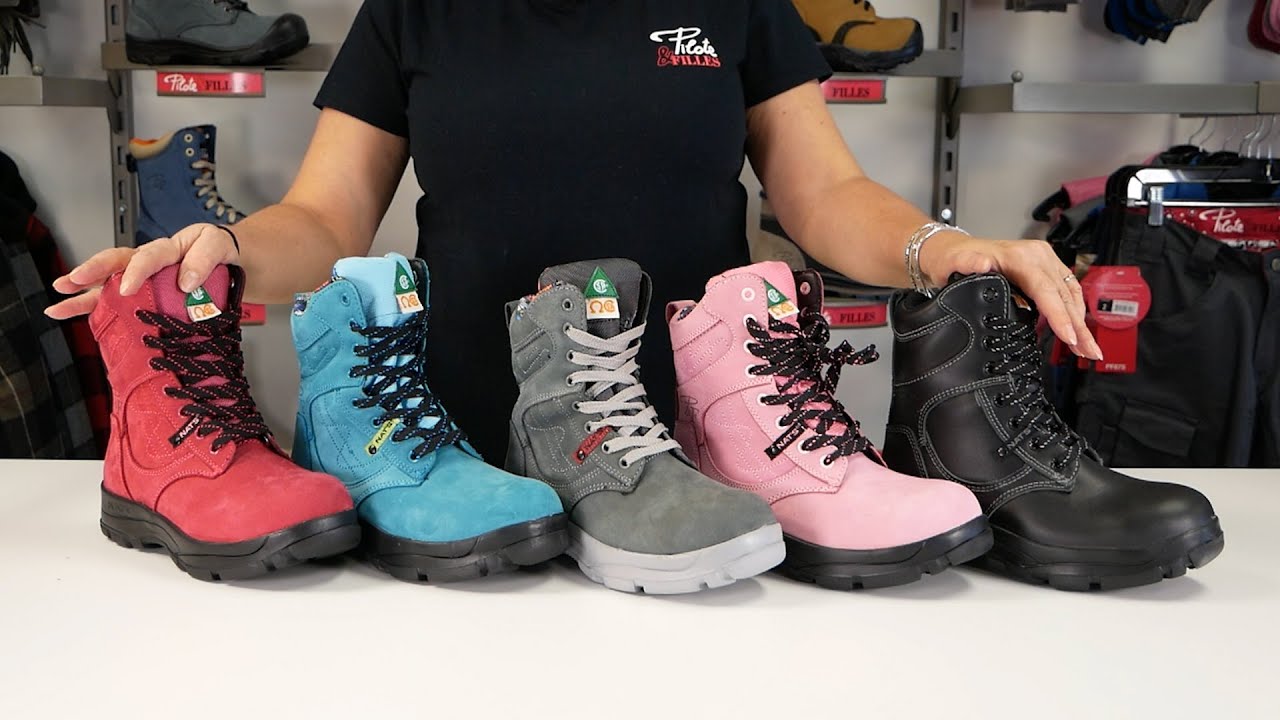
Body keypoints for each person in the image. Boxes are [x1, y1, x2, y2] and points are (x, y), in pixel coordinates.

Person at [46, 0, 1101, 464]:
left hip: (697, 433)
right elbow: (325, 218)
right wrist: (226, 251)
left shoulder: (732, 0)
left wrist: (939, 248)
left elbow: (824, 193)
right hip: (467, 437)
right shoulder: (416, 9)